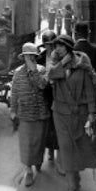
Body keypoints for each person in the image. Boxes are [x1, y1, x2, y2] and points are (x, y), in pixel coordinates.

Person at [48, 34, 96, 191]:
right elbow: (50, 76)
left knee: (79, 147)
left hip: (79, 113)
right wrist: (62, 63)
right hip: (60, 114)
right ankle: (71, 187)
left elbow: (90, 90)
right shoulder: (56, 64)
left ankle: (76, 178)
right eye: (55, 46)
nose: (57, 49)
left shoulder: (81, 64)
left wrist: (92, 112)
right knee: (66, 149)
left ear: (69, 47)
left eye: (61, 46)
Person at [10, 42, 51, 187]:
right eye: (28, 56)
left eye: (33, 56)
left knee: (39, 143)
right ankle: (28, 170)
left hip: (41, 114)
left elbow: (42, 85)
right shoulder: (17, 73)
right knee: (26, 144)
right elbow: (14, 93)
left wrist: (34, 71)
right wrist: (13, 111)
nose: (30, 58)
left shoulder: (42, 70)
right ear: (23, 57)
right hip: (25, 114)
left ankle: (38, 161)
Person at [36, 30, 60, 169]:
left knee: (56, 126)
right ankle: (49, 152)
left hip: (58, 96)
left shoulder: (62, 57)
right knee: (46, 126)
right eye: (47, 44)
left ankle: (56, 153)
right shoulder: (40, 58)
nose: (49, 47)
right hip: (45, 97)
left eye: (52, 44)